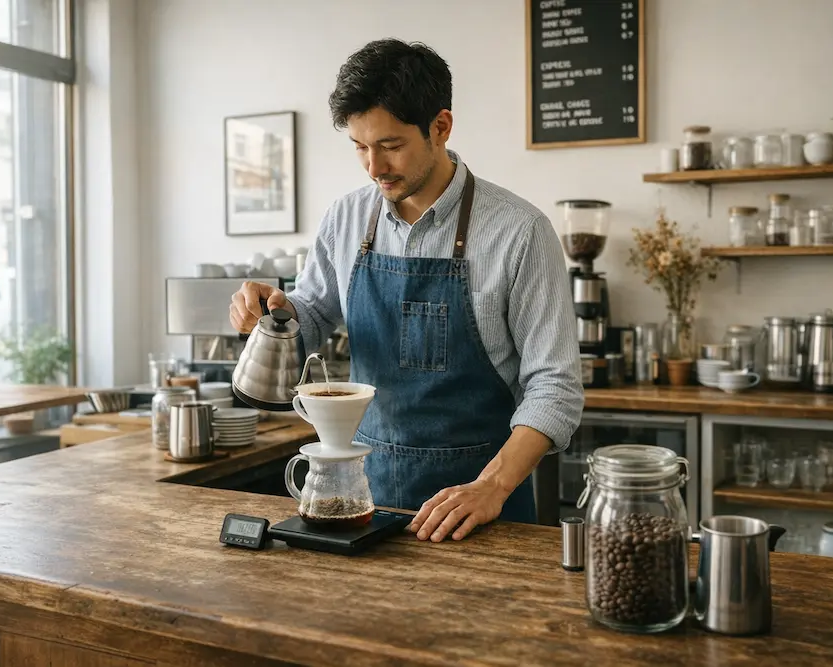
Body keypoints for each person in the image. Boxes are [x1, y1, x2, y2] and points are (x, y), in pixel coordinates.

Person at [230, 38, 583, 542]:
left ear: (440, 127)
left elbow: (556, 387)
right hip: (362, 498)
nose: (374, 167)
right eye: (359, 147)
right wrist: (274, 314)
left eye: (391, 146)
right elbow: (310, 317)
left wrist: (492, 487)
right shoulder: (346, 217)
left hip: (480, 512)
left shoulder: (520, 231)